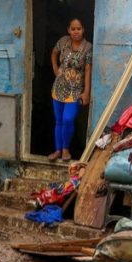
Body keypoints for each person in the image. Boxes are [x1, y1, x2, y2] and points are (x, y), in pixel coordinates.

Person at [48, 18, 92, 162]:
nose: (76, 31)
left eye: (78, 28)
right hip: (59, 87)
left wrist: (86, 92)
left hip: (75, 90)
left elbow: (87, 70)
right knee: (59, 120)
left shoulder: (88, 47)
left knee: (68, 119)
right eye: (73, 29)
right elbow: (54, 53)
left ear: (83, 30)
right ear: (68, 30)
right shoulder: (63, 41)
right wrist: (55, 69)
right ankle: (58, 150)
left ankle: (66, 150)